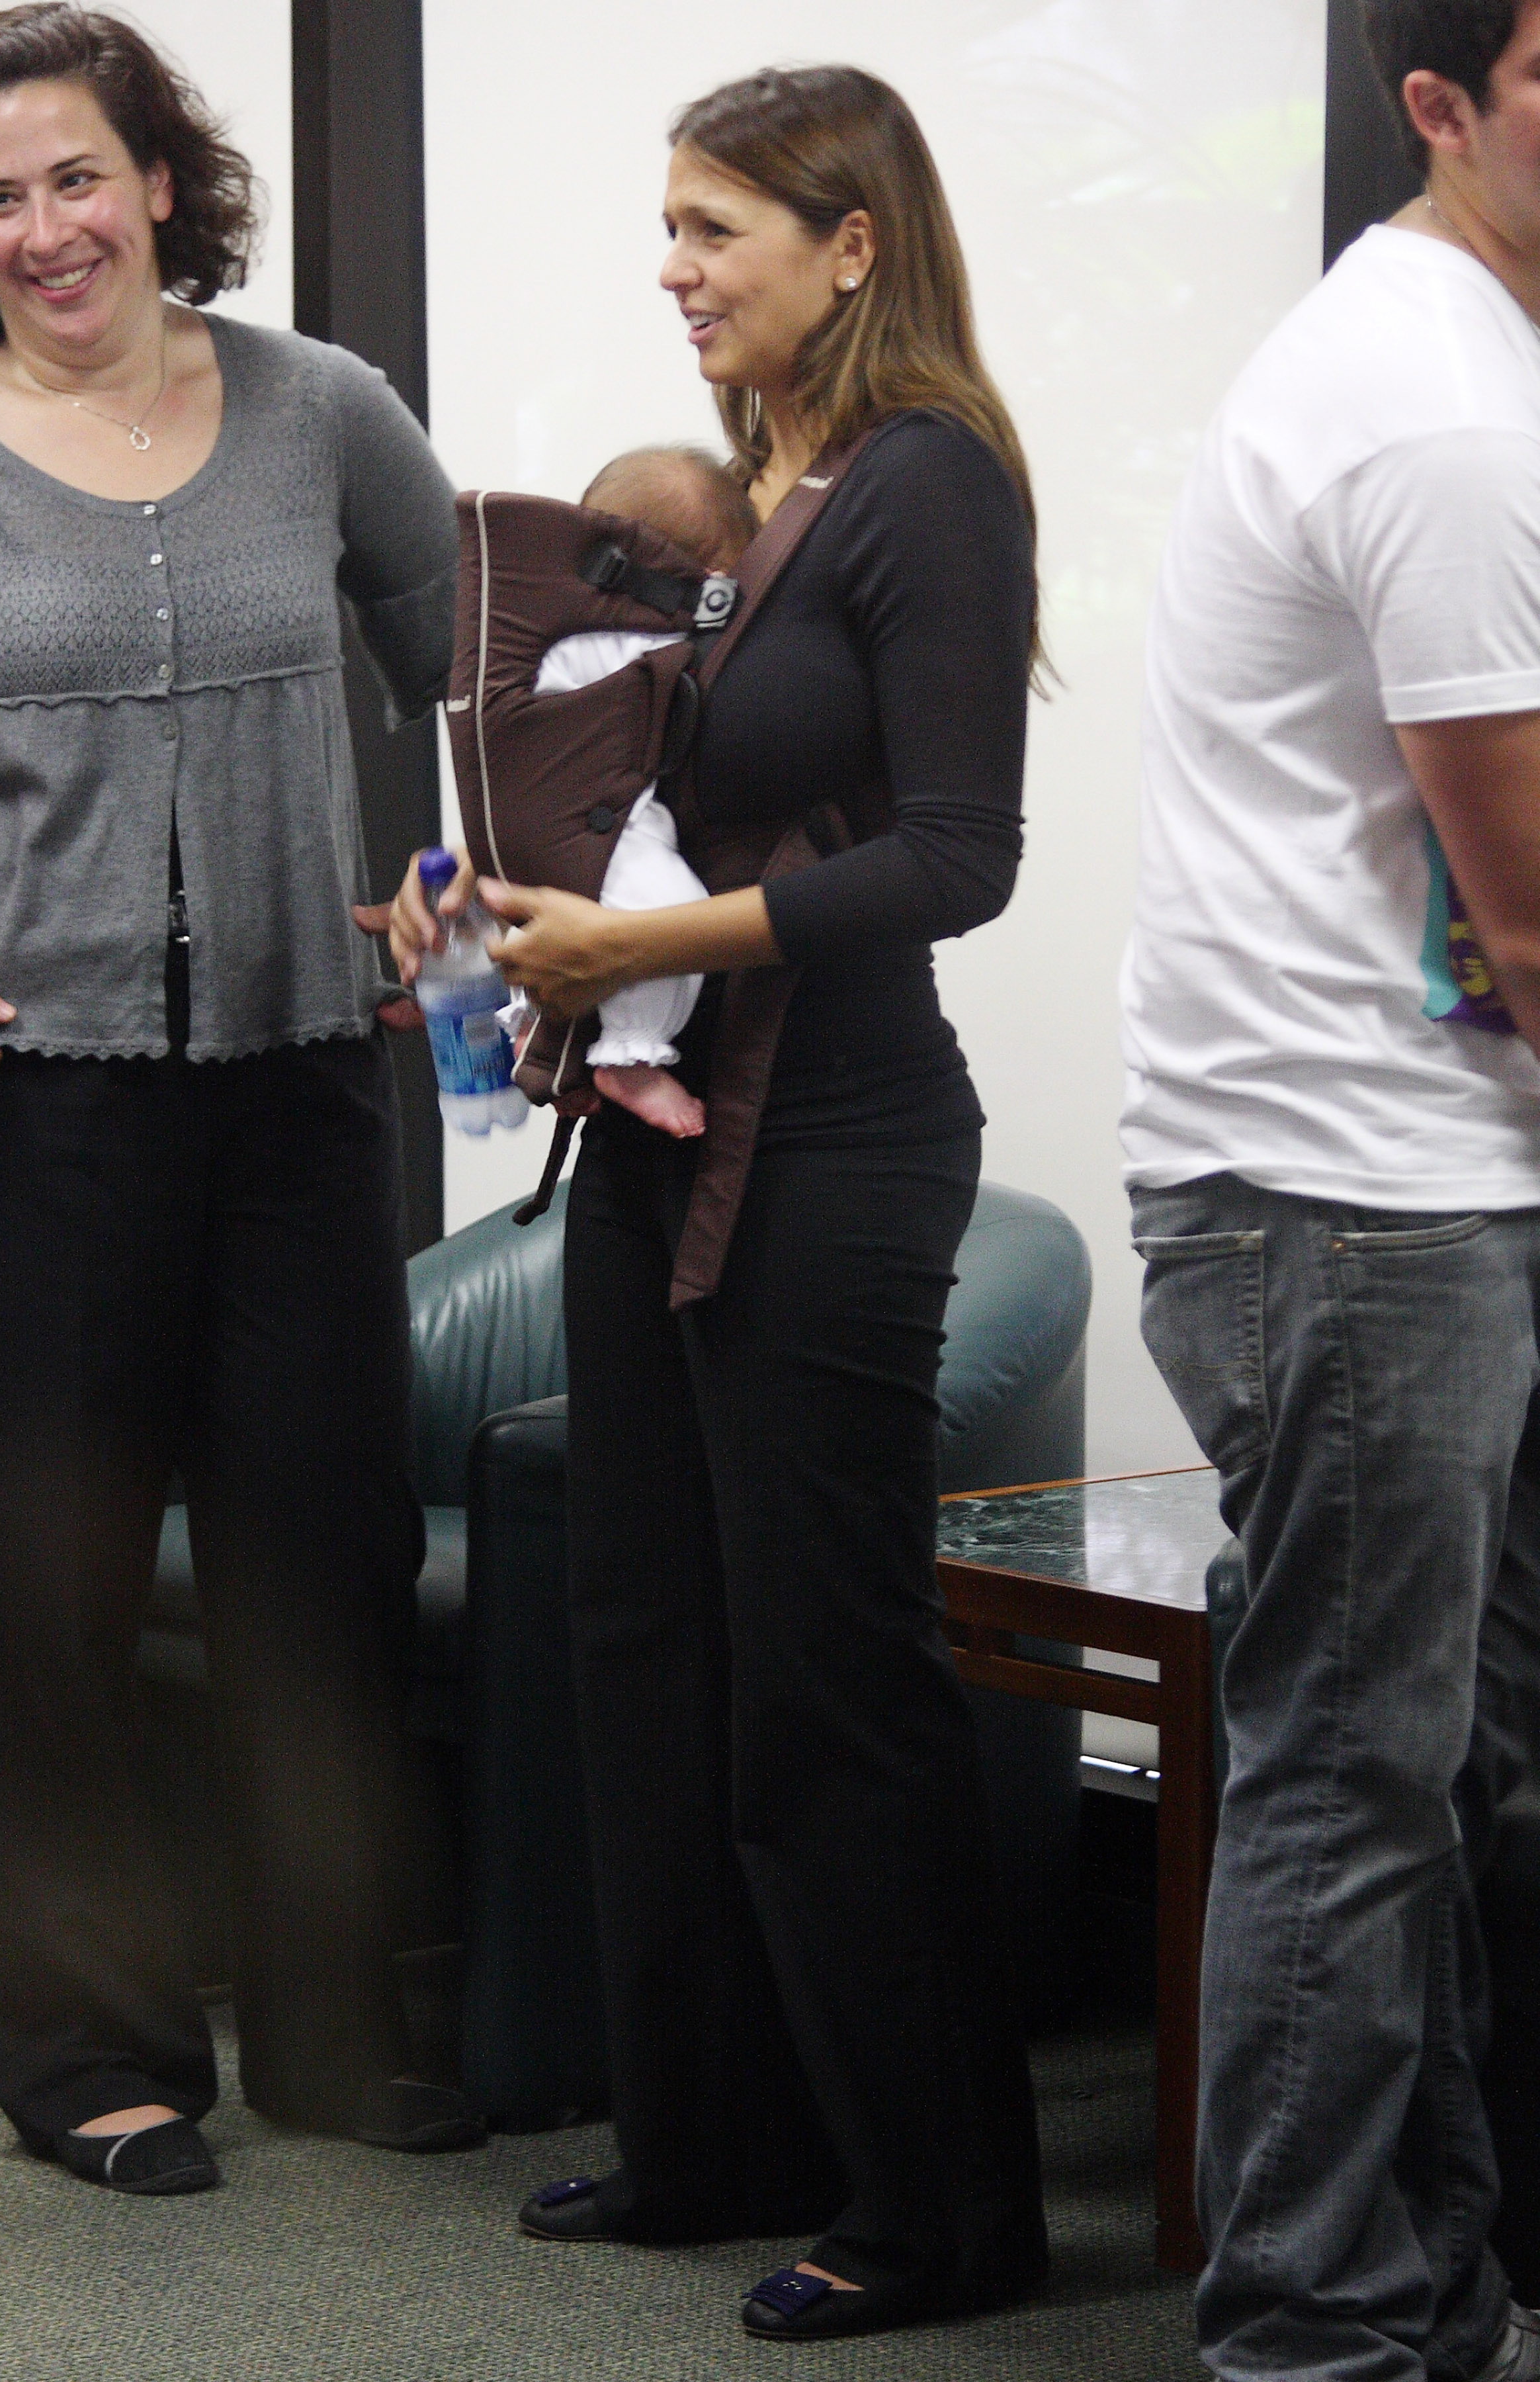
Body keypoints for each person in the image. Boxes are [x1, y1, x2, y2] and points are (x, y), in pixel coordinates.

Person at [389, 62, 1047, 2345]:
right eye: (667, 230)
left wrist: (651, 950)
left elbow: (957, 862)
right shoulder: (751, 494)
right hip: (658, 1150)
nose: (672, 271)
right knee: (648, 1659)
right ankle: (714, 2140)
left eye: (713, 231)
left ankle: (940, 2208)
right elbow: (659, 814)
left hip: (845, 1156)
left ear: (849, 243)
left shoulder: (923, 491)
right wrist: (478, 909)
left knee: (822, 1692)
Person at [0, 1, 470, 2194]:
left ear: (162, 180)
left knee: (319, 1563)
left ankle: (339, 2028)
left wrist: (453, 879)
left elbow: (476, 669)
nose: (47, 229)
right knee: (49, 1591)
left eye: (79, 175)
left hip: (302, 1086)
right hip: (34, 1098)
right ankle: (93, 2059)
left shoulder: (319, 411)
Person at [1121, 1, 1540, 2374]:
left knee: (1434, 1774)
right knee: (1353, 1784)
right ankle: (1307, 2331)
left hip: (1398, 1177)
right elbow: (1526, 910)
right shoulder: (1444, 402)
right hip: (1347, 1200)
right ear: (1443, 102)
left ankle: (1425, 2292)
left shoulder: (1463, 350)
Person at [501, 443, 759, 1139]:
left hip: (542, 818)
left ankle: (541, 1031)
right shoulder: (622, 640)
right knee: (669, 914)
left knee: (565, 936)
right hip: (597, 820)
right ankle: (630, 1056)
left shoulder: (554, 628)